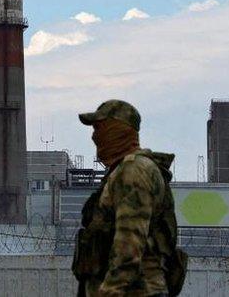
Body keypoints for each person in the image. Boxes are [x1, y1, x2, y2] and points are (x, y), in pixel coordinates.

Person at [71, 100, 187, 297]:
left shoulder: (133, 171)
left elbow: (129, 242)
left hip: (135, 291)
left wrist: (110, 291)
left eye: (99, 128)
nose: (94, 136)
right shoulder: (124, 171)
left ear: (117, 130)